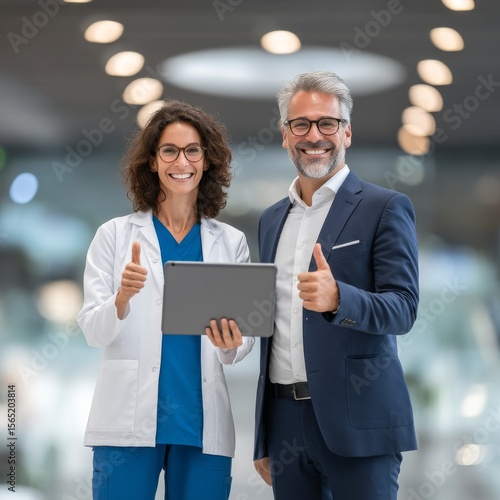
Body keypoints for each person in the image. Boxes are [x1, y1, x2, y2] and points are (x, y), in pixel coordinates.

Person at [252, 71, 419, 499]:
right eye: (301, 124)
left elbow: (403, 308)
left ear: (346, 132)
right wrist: (263, 433)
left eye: (327, 123)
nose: (315, 135)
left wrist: (340, 298)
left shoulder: (385, 207)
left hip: (359, 418)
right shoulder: (272, 219)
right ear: (285, 134)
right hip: (285, 419)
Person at [77, 99, 253, 500]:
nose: (182, 161)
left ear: (207, 161)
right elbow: (92, 329)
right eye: (169, 150)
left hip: (201, 423)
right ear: (153, 162)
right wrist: (122, 298)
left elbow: (245, 338)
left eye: (193, 150)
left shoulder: (230, 242)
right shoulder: (114, 236)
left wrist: (233, 344)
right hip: (127, 424)